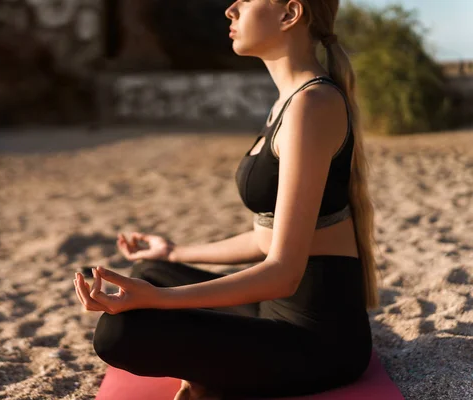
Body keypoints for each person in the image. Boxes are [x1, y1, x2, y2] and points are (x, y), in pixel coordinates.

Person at [73, 1, 381, 398]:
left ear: (290, 14)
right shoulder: (289, 103)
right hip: (270, 309)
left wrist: (163, 301)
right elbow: (263, 239)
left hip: (316, 340)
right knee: (152, 269)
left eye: (247, 0)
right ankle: (212, 372)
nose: (230, 10)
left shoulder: (313, 105)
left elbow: (283, 272)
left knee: (120, 332)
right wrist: (174, 251)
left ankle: (212, 378)